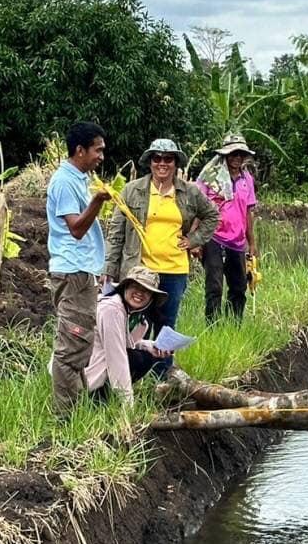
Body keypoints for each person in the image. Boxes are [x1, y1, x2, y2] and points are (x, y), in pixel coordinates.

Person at [104, 139, 217, 369]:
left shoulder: (189, 192)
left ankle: (161, 378)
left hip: (174, 270)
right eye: (157, 158)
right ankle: (130, 373)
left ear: (176, 163)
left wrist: (193, 239)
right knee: (135, 324)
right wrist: (109, 270)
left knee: (166, 326)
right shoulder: (132, 190)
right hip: (141, 271)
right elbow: (116, 234)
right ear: (150, 162)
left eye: (168, 159)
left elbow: (212, 216)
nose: (162, 163)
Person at [47, 121, 111, 410]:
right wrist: (98, 201)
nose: (101, 156)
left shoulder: (79, 179)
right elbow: (76, 228)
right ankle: (66, 417)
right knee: (71, 347)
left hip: (82, 271)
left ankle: (78, 411)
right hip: (72, 272)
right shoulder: (63, 182)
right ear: (80, 150)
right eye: (97, 150)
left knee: (81, 344)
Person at [85, 266, 170, 405]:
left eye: (147, 291)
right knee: (133, 358)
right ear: (125, 287)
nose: (140, 293)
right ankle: (96, 400)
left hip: (98, 364)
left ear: (151, 298)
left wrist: (149, 346)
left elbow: (126, 342)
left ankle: (107, 398)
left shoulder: (135, 317)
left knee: (144, 356)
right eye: (135, 287)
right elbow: (116, 357)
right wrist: (128, 405)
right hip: (86, 372)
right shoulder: (111, 310)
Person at [196, 133, 258, 322]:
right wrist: (196, 240)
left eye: (240, 154)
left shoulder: (247, 179)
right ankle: (212, 326)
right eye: (232, 154)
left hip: (237, 241)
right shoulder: (209, 178)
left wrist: (252, 242)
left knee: (239, 286)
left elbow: (248, 212)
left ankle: (234, 325)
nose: (236, 158)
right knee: (214, 286)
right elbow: (199, 209)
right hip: (214, 237)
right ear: (225, 155)